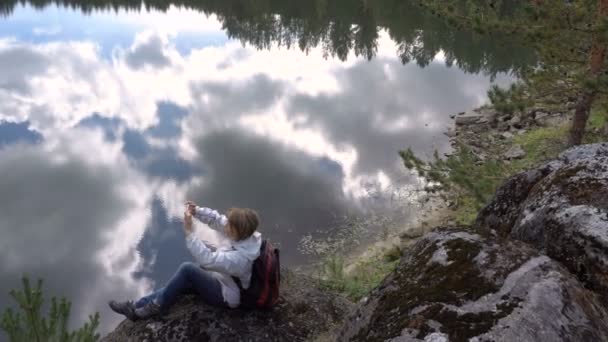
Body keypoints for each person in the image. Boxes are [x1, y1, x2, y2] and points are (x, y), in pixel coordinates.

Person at [108, 202, 262, 320]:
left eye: (230, 225)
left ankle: (157, 307)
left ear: (236, 232)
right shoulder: (246, 235)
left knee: (187, 269)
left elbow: (207, 260)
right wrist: (197, 211)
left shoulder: (240, 260)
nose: (225, 225)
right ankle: (136, 307)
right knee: (182, 280)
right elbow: (217, 220)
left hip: (227, 296)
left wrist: (189, 232)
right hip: (225, 281)